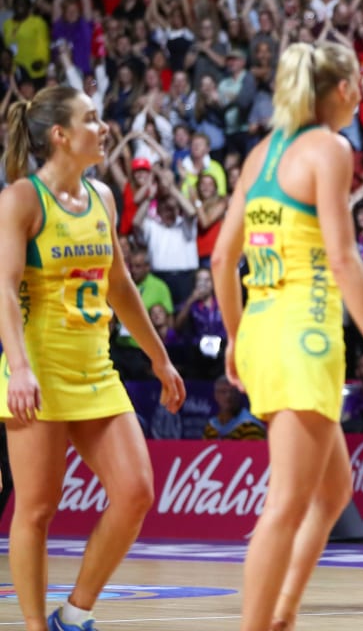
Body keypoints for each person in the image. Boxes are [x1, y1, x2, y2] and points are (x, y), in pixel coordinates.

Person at [210, 42, 363, 631]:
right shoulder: (329, 148)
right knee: (288, 504)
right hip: (305, 336)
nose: (362, 96)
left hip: (261, 331)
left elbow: (223, 259)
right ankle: (259, 624)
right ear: (343, 89)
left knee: (331, 491)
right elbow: (345, 261)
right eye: (359, 86)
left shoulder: (260, 154)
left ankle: (283, 615)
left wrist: (234, 336)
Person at [0, 86, 186, 631]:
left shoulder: (103, 195)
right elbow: (5, 290)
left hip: (96, 368)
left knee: (135, 492)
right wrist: (20, 368)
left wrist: (159, 358)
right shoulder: (22, 199)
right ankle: (36, 627)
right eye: (92, 118)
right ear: (61, 135)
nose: (103, 127)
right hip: (38, 369)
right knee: (36, 509)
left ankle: (74, 613)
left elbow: (121, 285)